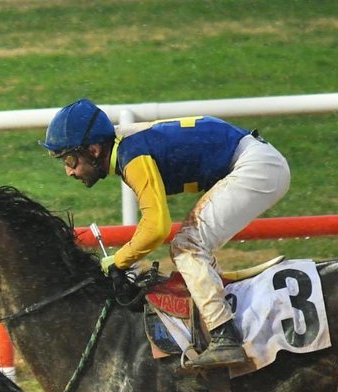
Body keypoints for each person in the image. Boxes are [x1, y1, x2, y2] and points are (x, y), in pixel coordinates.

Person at [41, 98, 290, 369]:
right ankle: (219, 318)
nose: (68, 171)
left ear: (94, 150)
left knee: (187, 246)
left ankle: (225, 337)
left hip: (255, 167)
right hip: (255, 161)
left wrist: (118, 260)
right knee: (192, 245)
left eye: (70, 159)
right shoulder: (128, 145)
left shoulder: (133, 156)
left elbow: (156, 226)